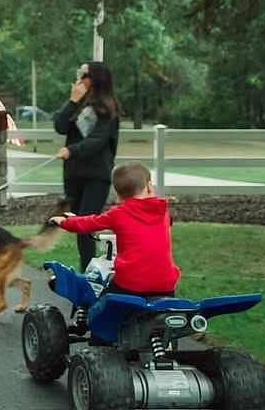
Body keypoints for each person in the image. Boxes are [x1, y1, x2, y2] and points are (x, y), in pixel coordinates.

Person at [49, 162, 180, 298]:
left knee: (100, 305)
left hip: (131, 284)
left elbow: (89, 223)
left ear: (119, 196)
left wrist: (64, 221)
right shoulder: (163, 212)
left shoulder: (119, 214)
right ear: (149, 186)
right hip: (165, 285)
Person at [53, 61, 122, 272]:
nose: (79, 79)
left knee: (86, 224)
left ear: (96, 79)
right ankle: (90, 270)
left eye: (84, 74)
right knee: (78, 225)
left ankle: (89, 274)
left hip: (96, 174)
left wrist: (72, 150)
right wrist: (72, 101)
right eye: (79, 73)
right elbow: (60, 126)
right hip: (74, 174)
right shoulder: (78, 105)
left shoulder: (108, 110)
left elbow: (98, 140)